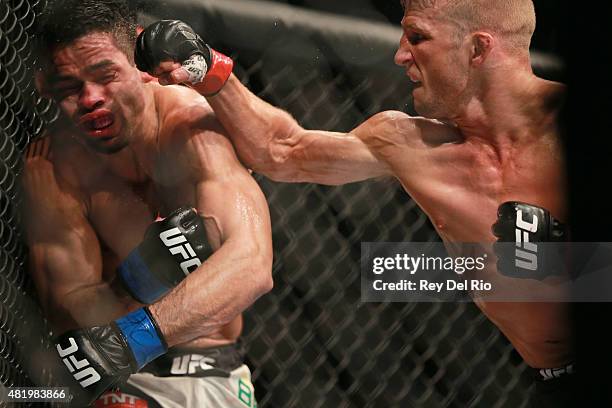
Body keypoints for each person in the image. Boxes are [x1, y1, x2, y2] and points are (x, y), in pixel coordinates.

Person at [136, 0, 573, 406]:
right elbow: (282, 151)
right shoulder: (406, 142)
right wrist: (210, 71)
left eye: (418, 38)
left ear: (478, 48)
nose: (401, 55)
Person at [22, 0, 273, 406]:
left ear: (139, 66)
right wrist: (140, 278)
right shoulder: (55, 169)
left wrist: (133, 338)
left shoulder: (193, 125)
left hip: (208, 373)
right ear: (46, 86)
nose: (90, 99)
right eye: (70, 87)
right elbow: (67, 315)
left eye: (106, 76)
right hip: (119, 383)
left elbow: (252, 265)